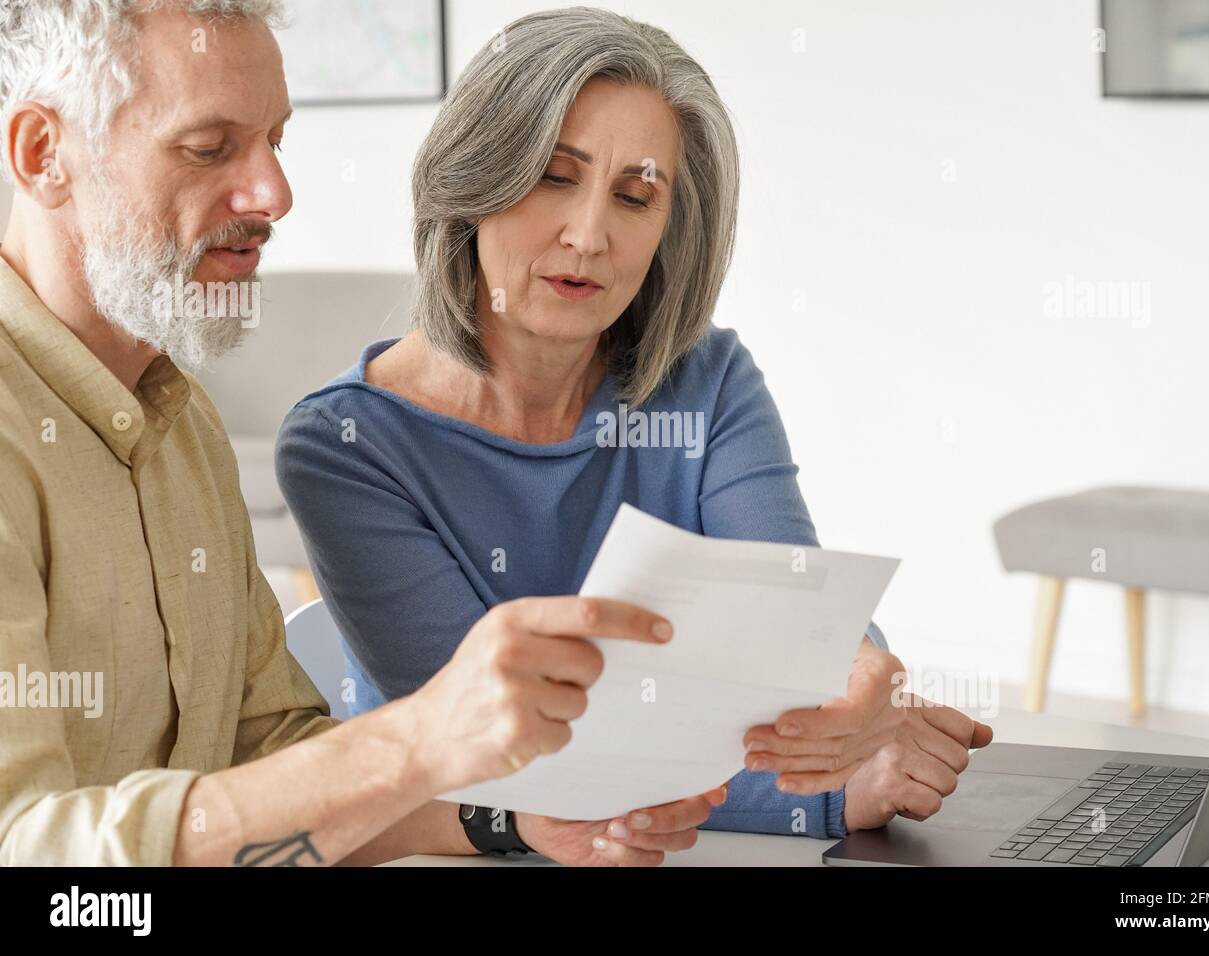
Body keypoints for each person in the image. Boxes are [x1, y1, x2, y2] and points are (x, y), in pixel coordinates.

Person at [0, 0, 719, 867]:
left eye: (276, 141)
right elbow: (30, 853)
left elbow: (268, 751)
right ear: (44, 155)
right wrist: (419, 738)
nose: (275, 194)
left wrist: (503, 819)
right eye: (208, 147)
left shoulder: (180, 420)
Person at [277, 6, 994, 854]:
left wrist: (854, 686)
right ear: (473, 184)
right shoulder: (344, 447)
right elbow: (498, 759)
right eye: (552, 176)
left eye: (635, 196)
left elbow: (794, 617)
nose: (589, 235)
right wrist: (828, 794)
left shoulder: (709, 379)